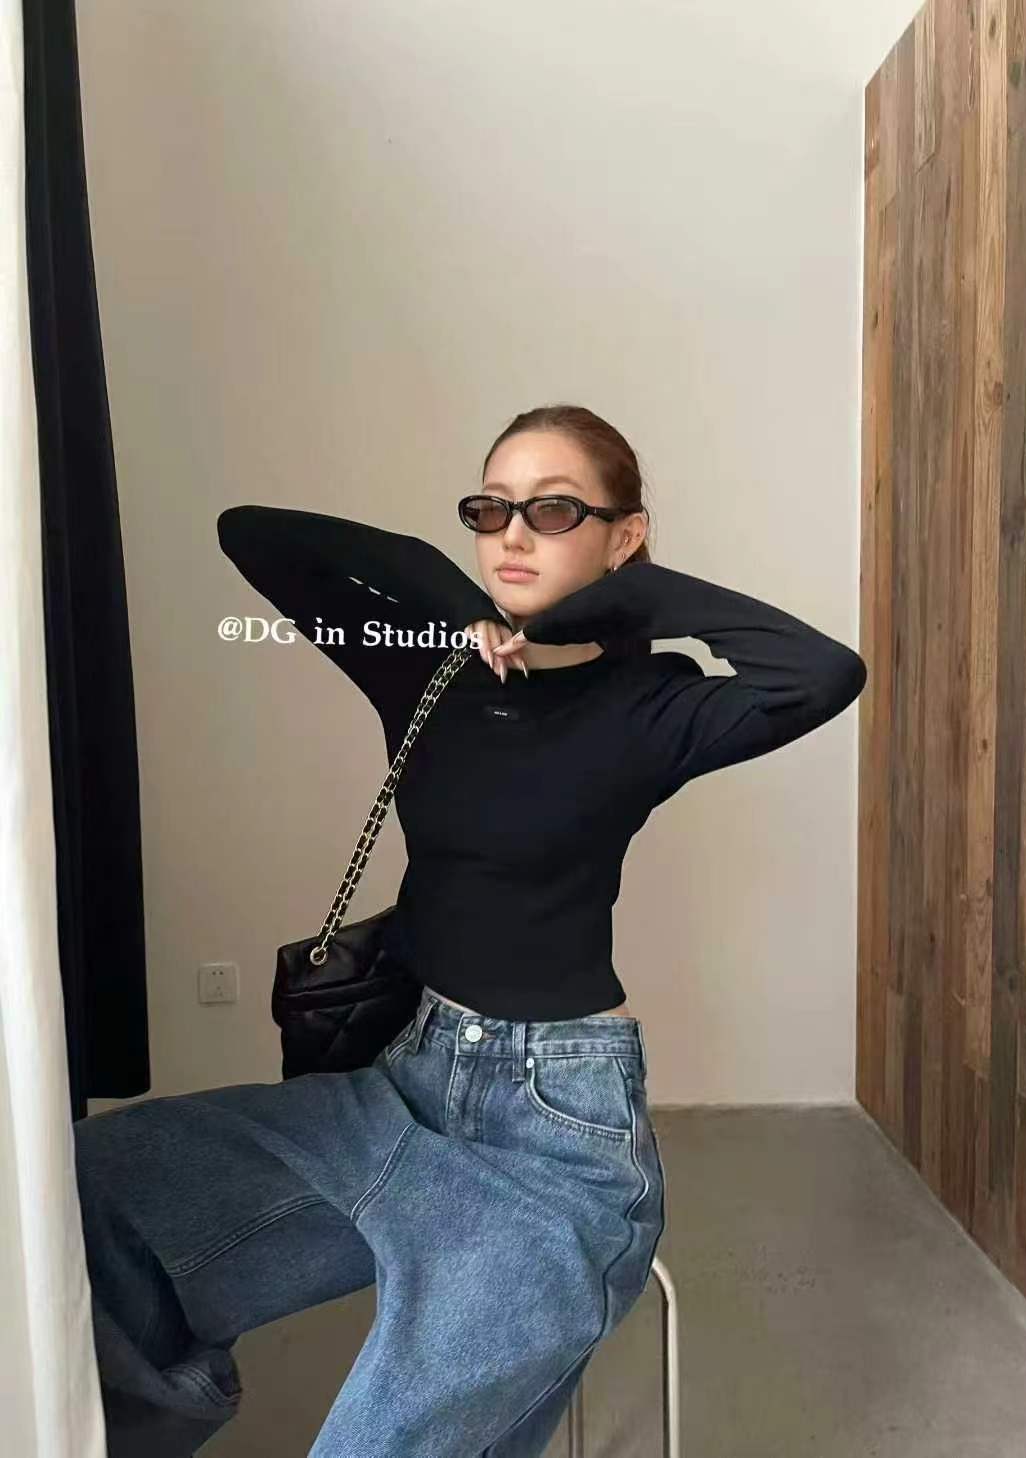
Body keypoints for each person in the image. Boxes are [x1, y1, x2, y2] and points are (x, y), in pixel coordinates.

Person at [73, 404, 867, 1457]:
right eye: (492, 509)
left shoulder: (648, 704)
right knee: (91, 1184)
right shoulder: (426, 670)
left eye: (555, 509)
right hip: (401, 1083)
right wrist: (450, 601)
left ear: (624, 534)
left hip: (556, 1123)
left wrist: (630, 596)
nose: (513, 534)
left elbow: (822, 672)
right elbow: (252, 534)